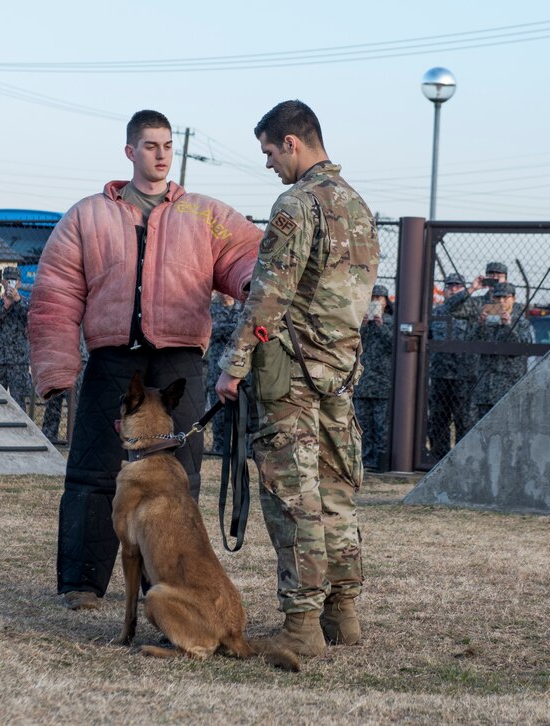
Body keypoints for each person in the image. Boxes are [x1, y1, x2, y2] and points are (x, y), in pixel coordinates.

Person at [29, 109, 261, 611]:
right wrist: (55, 368)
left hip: (178, 362)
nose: (160, 155)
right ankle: (82, 584)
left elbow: (247, 256)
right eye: (150, 146)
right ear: (130, 151)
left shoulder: (203, 213)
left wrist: (251, 285)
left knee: (181, 476)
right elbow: (55, 293)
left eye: (168, 146)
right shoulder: (87, 215)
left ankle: (169, 580)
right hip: (113, 360)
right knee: (92, 471)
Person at [215, 100, 378, 657]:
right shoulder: (357, 205)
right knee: (336, 489)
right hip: (340, 370)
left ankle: (302, 628)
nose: (268, 164)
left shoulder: (296, 204)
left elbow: (268, 296)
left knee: (294, 494)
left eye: (268, 151)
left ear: (291, 142)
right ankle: (343, 613)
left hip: (293, 373)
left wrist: (234, 366)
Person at [428, 272, 476, 459]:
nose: (453, 289)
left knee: (463, 420)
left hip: (463, 376)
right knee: (438, 420)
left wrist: (471, 291)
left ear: (464, 289)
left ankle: (463, 458)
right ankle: (439, 458)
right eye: (449, 286)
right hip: (440, 375)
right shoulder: (438, 311)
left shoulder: (471, 310)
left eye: (457, 286)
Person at [470, 281, 533, 420]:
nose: (501, 301)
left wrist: (508, 326)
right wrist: (480, 325)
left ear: (514, 299)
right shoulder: (488, 321)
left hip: (508, 388)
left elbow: (517, 350)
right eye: (498, 298)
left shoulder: (521, 323)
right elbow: (472, 344)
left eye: (506, 297)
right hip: (485, 388)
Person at [354, 285, 394, 471]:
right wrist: (361, 326)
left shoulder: (390, 321)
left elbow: (394, 344)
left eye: (380, 297)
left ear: (386, 301)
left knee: (381, 424)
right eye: (373, 297)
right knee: (363, 423)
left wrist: (381, 326)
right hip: (363, 381)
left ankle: (382, 460)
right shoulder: (359, 321)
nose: (376, 301)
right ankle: (366, 459)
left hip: (382, 381)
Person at [0, 266, 33, 408]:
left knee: (18, 402)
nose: (10, 284)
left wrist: (17, 300)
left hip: (19, 361)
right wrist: (6, 305)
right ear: (2, 282)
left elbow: (30, 318)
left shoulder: (26, 303)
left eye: (14, 281)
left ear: (18, 283)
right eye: (8, 280)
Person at [205, 291, 241, 454]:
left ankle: (244, 447)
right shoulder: (211, 308)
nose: (224, 293)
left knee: (243, 408)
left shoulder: (243, 307)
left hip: (238, 367)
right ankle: (219, 446)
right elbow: (210, 332)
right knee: (217, 409)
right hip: (216, 367)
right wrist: (234, 331)